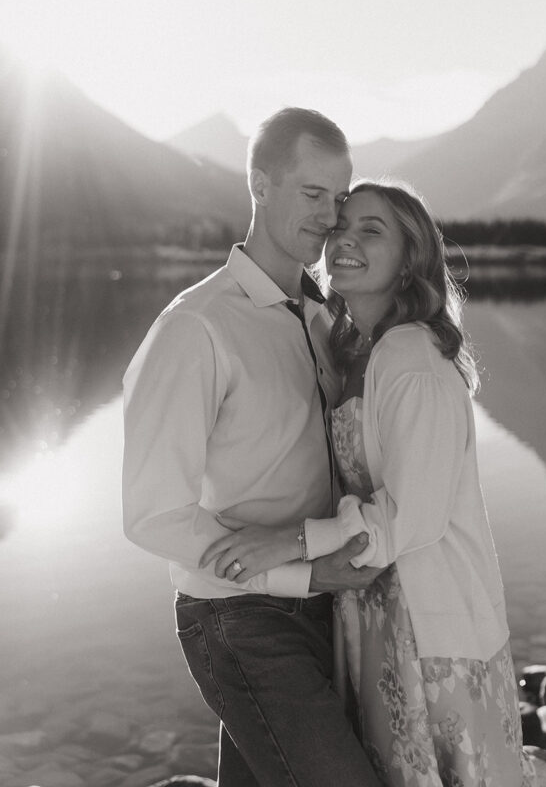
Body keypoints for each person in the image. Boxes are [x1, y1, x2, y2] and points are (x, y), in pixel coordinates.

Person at [203, 180, 534, 787]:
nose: (344, 240)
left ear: (411, 260)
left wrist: (288, 542)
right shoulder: (356, 347)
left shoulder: (412, 360)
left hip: (435, 631)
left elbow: (414, 517)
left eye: (370, 230)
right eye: (340, 227)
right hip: (380, 615)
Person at [122, 109, 383, 787]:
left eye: (338, 197)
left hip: (326, 607)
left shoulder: (328, 318)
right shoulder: (195, 329)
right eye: (311, 193)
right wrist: (304, 574)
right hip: (237, 620)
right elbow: (152, 515)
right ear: (260, 186)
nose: (329, 217)